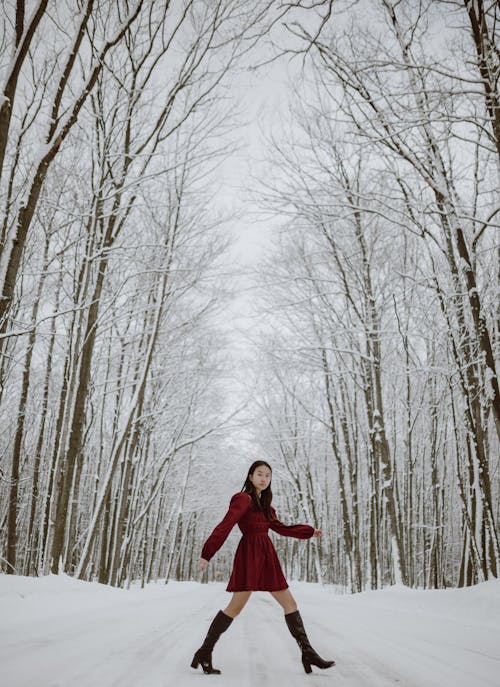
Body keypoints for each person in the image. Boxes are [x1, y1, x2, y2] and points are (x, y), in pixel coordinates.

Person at [191, 460, 335, 675]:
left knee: (290, 603)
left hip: (267, 556)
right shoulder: (242, 499)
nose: (264, 479)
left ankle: (308, 652)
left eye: (268, 475)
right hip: (249, 555)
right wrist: (207, 552)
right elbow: (226, 524)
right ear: (250, 476)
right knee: (235, 608)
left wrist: (308, 531)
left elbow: (281, 528)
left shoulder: (266, 506)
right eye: (259, 474)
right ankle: (204, 651)